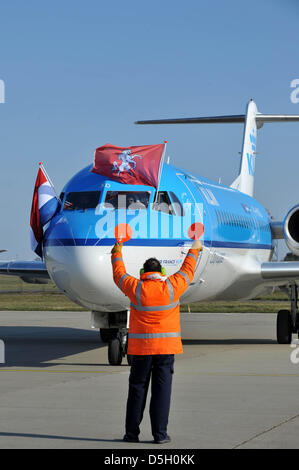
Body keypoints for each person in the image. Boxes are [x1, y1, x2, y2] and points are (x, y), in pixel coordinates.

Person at [111, 239, 203, 444]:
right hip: (165, 350)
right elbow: (188, 269)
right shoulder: (173, 286)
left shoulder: (135, 288)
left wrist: (117, 250)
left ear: (143, 271)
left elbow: (119, 273)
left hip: (141, 350)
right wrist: (194, 249)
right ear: (161, 270)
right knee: (162, 392)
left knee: (137, 390)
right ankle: (160, 435)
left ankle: (131, 434)